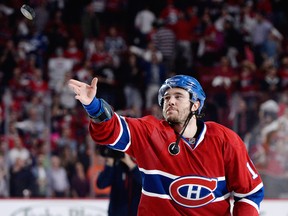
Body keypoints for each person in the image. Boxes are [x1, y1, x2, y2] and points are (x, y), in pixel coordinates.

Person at [68, 74, 264, 215]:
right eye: (166, 98)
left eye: (178, 96)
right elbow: (111, 130)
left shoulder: (225, 140)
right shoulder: (150, 131)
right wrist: (93, 106)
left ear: (196, 105)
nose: (170, 101)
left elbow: (249, 192)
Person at [96, 148, 142, 216]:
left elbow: (144, 184)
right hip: (116, 212)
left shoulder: (141, 166)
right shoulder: (116, 166)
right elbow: (101, 184)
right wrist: (109, 164)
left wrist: (131, 164)